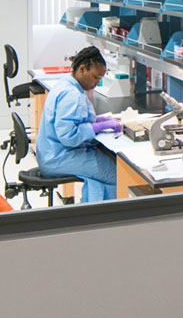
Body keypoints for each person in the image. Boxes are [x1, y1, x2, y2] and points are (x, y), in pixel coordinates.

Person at [36, 46, 122, 202]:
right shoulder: (72, 95)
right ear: (82, 69)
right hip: (59, 158)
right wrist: (96, 127)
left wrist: (98, 121)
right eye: (96, 77)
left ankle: (93, 210)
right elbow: (69, 137)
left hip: (53, 154)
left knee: (106, 163)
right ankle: (106, 219)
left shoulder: (66, 85)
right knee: (118, 175)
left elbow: (74, 121)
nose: (98, 82)